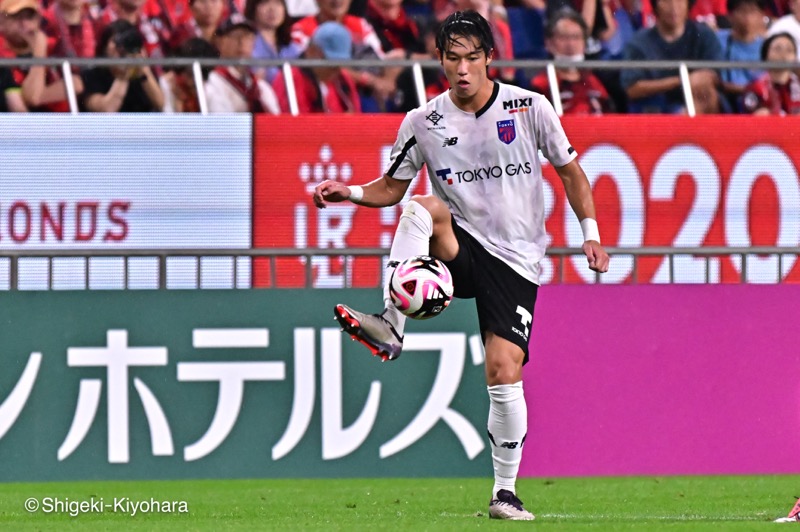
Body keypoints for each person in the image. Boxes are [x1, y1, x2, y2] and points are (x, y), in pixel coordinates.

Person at [312, 9, 609, 521]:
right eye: (454, 59)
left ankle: (504, 492)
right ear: (441, 62)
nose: (464, 69)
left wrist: (591, 235)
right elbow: (391, 187)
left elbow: (571, 173)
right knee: (420, 207)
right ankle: (390, 323)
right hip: (460, 247)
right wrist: (351, 193)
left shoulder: (529, 107)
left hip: (515, 260)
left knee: (503, 370)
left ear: (490, 58)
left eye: (474, 58)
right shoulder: (422, 121)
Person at [621, 0, 724, 113]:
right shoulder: (639, 42)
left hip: (696, 101)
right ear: (655, 5)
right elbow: (631, 88)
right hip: (654, 107)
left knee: (709, 94)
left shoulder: (704, 35)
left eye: (680, 1)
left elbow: (713, 74)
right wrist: (682, 81)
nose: (674, 7)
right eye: (667, 1)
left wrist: (699, 80)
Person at [0, 0, 82, 111]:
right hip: (19, 125)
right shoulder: (3, 56)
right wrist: (40, 51)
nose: (24, 24)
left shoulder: (53, 45)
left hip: (60, 123)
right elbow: (31, 97)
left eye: (29, 17)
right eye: (16, 18)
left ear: (38, 20)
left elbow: (77, 83)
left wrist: (37, 95)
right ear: (2, 22)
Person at [531, 8, 613, 113]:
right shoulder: (540, 85)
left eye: (576, 37)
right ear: (549, 43)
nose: (571, 44)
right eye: (564, 37)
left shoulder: (596, 81)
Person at [272, 20, 361, 112]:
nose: (336, 68)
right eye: (330, 61)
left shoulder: (343, 81)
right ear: (311, 51)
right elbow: (293, 124)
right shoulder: (289, 79)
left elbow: (357, 117)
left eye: (341, 62)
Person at [80, 19, 165, 111]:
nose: (121, 47)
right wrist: (124, 74)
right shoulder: (92, 75)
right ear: (105, 47)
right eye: (116, 41)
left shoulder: (141, 72)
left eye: (126, 42)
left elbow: (160, 104)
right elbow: (107, 110)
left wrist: (143, 69)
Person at [205, 13, 280, 112]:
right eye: (235, 36)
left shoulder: (261, 87)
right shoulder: (212, 80)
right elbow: (222, 124)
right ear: (219, 42)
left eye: (247, 36)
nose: (242, 42)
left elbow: (276, 122)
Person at [717, 0, 767, 110]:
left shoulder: (768, 46)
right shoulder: (717, 40)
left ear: (761, 16)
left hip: (758, 100)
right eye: (742, 11)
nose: (747, 18)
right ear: (730, 16)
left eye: (752, 12)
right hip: (724, 99)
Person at [741, 32, 800, 113]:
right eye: (777, 49)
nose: (783, 54)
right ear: (766, 55)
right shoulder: (755, 87)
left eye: (789, 50)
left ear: (795, 58)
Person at [246, 0, 301, 84]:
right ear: (253, 8)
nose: (272, 9)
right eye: (264, 2)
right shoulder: (247, 44)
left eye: (278, 3)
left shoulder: (292, 46)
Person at [160, 36, 218, 112]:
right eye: (189, 74)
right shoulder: (167, 83)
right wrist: (178, 104)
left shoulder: (213, 86)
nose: (190, 82)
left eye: (196, 76)